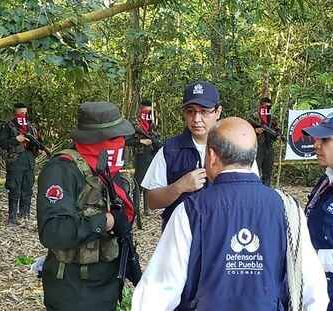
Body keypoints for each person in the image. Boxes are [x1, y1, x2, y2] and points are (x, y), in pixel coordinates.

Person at [132, 117, 328, 311]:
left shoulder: (190, 211)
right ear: (252, 156)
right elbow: (313, 288)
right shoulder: (288, 208)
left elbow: (156, 293)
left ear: (212, 156)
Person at [36, 101, 136, 311]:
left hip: (107, 285)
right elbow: (52, 232)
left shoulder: (109, 172)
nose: (119, 142)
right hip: (74, 290)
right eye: (112, 137)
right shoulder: (63, 170)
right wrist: (106, 221)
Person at [141, 81, 222, 229]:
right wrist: (179, 186)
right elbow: (151, 201)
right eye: (190, 111)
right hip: (179, 237)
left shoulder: (233, 148)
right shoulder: (170, 150)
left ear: (218, 111)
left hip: (221, 236)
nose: (196, 119)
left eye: (204, 111)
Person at [302, 113, 333, 310]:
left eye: (325, 139)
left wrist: (311, 258)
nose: (316, 145)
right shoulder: (327, 178)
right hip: (319, 287)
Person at [0, 103, 46, 226]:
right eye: (20, 113)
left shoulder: (31, 127)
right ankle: (12, 218)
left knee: (27, 190)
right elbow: (2, 144)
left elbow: (38, 141)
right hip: (15, 162)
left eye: (24, 113)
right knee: (14, 189)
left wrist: (41, 150)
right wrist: (16, 140)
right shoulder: (8, 126)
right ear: (14, 114)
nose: (22, 115)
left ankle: (24, 215)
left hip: (29, 162)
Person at [126, 100, 162, 216]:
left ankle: (148, 208)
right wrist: (141, 141)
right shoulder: (134, 124)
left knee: (150, 181)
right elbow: (126, 141)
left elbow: (156, 138)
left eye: (149, 112)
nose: (147, 114)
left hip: (152, 153)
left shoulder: (152, 123)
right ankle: (135, 209)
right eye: (145, 112)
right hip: (141, 154)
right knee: (139, 182)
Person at [250, 97, 283, 186]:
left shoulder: (273, 117)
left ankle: (266, 192)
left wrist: (279, 135)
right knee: (254, 171)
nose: (267, 109)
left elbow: (277, 129)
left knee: (267, 173)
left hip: (269, 146)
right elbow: (245, 129)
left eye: (269, 107)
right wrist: (255, 130)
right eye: (265, 106)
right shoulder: (254, 116)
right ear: (261, 106)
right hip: (257, 146)